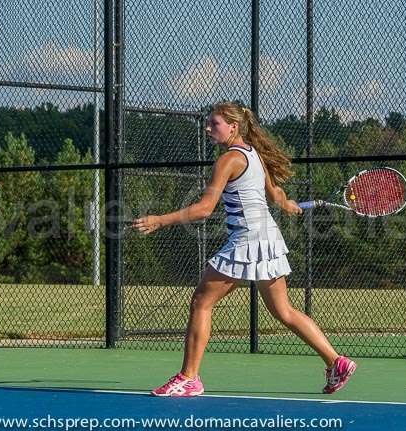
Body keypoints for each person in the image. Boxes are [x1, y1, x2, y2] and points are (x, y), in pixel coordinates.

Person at [132, 102, 356, 397]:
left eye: (215, 124)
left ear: (233, 127)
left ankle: (189, 378)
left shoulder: (228, 160)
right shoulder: (253, 154)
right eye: (209, 123)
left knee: (201, 301)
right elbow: (275, 193)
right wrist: (286, 204)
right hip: (267, 238)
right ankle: (336, 361)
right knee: (283, 311)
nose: (208, 128)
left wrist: (160, 220)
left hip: (249, 241)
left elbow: (204, 209)